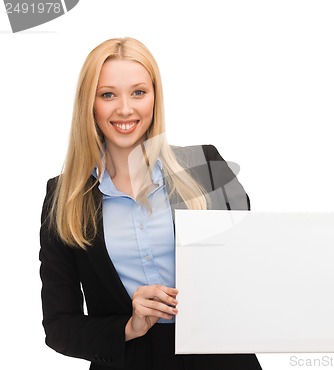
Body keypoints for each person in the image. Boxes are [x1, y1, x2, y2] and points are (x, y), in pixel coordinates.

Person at [39, 37, 262, 370]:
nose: (125, 108)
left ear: (155, 99)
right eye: (108, 94)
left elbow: (256, 269)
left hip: (220, 357)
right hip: (130, 360)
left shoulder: (207, 168)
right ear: (90, 104)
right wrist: (129, 326)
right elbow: (59, 327)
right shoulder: (64, 198)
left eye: (139, 92)